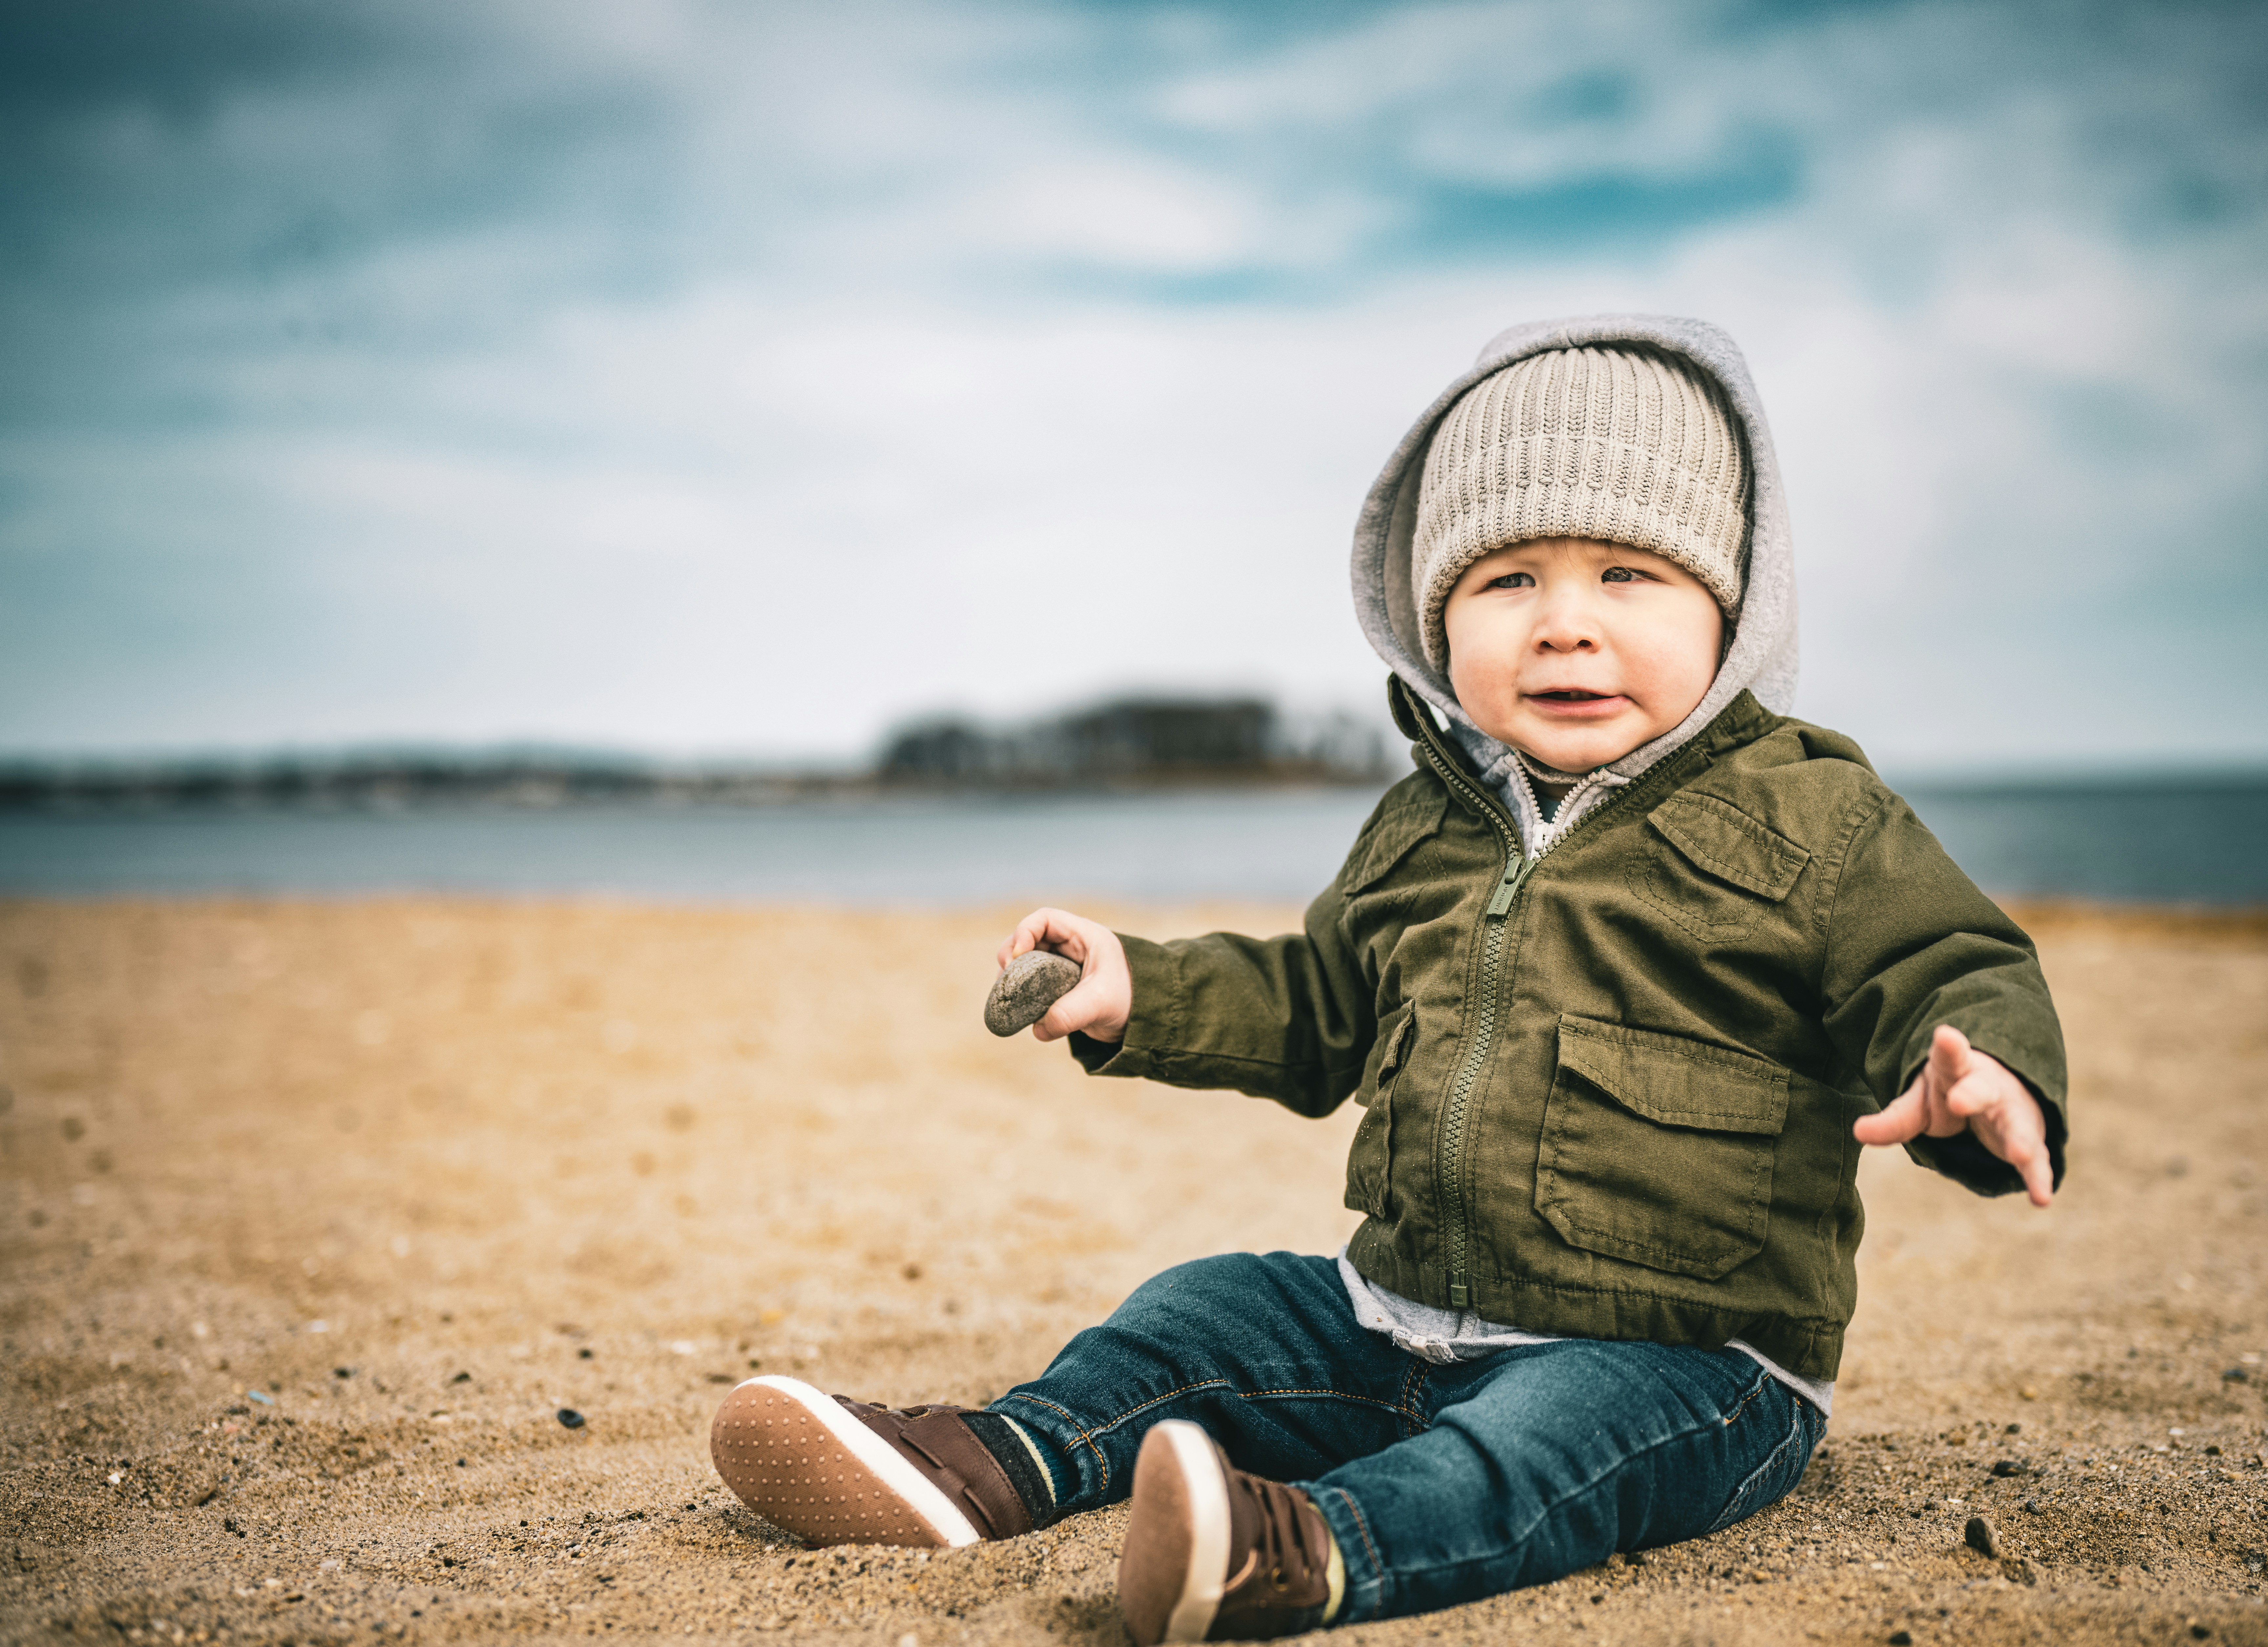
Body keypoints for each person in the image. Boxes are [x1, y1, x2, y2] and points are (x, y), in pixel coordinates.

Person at [706, 315, 2068, 1642]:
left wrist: (1981, 1072)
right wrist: (1138, 989)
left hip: (1687, 1359)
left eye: (1629, 576)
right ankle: (991, 1462)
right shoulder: (1422, 823)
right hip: (1393, 1322)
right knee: (1205, 1307)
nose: (1564, 626)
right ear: (1432, 616)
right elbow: (1318, 1008)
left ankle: (1299, 1550)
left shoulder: (1815, 822)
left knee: (1538, 1448)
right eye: (1507, 580)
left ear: (1732, 605)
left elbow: (1942, 960)